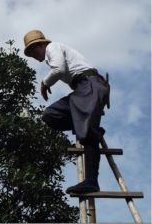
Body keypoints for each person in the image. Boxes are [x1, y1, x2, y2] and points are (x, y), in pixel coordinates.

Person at [23, 30, 110, 193]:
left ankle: (91, 181)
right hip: (81, 89)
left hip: (89, 85)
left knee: (87, 132)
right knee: (50, 114)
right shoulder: (51, 53)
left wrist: (45, 82)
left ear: (43, 43)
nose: (33, 54)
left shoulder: (52, 47)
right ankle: (89, 127)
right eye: (29, 52)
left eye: (33, 48)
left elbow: (59, 69)